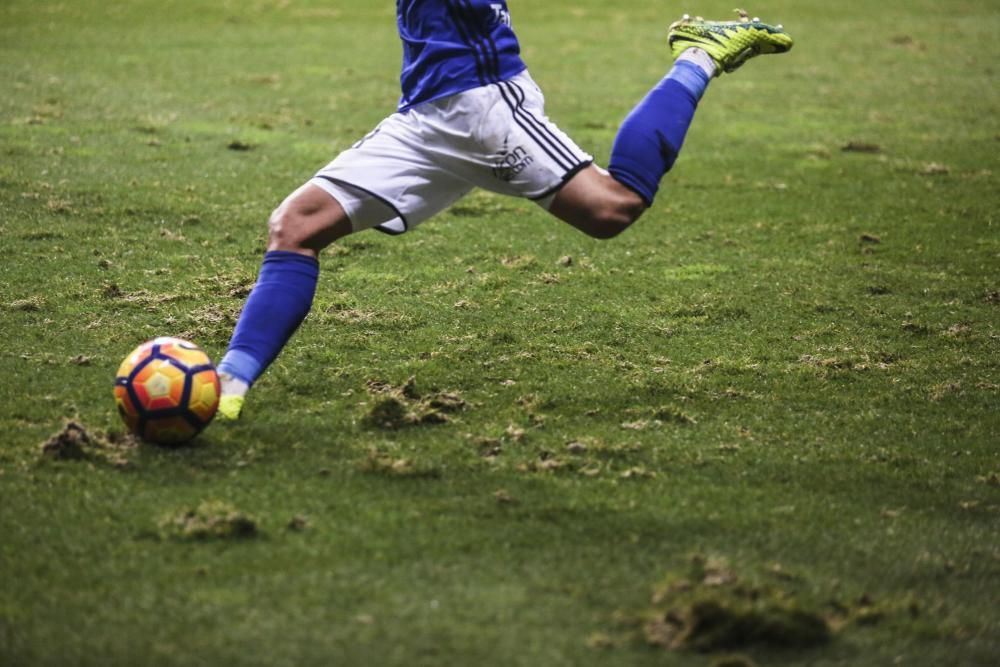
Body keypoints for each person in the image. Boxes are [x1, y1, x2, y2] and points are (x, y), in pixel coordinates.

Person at [215, 3, 793, 420]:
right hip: (424, 116)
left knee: (613, 208)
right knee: (295, 227)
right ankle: (228, 383)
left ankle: (699, 55)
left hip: (486, 107)